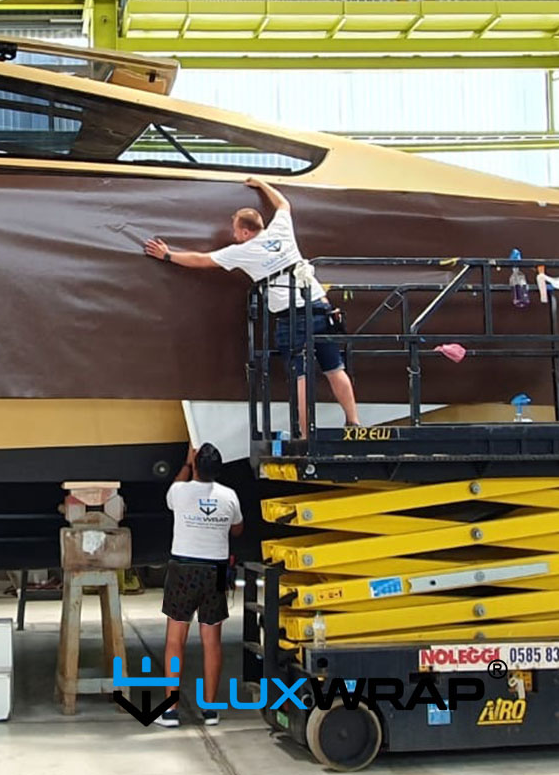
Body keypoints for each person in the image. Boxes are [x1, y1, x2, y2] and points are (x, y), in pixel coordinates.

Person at [143, 176, 359, 434]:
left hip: (292, 318)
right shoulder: (280, 230)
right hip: (320, 307)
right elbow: (283, 204)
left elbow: (201, 260)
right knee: (334, 369)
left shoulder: (241, 251)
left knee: (301, 377)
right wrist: (262, 185)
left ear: (246, 232)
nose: (234, 235)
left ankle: (304, 434)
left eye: (235, 230)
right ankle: (354, 422)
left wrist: (167, 255)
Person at [155, 442, 242, 728]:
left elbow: (174, 490)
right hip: (214, 571)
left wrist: (185, 464)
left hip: (183, 569)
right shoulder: (229, 496)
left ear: (196, 465)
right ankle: (211, 710)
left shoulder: (179, 492)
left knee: (175, 640)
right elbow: (238, 528)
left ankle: (170, 711)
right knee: (212, 642)